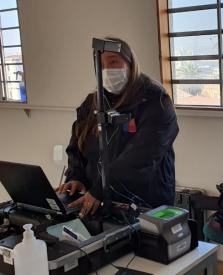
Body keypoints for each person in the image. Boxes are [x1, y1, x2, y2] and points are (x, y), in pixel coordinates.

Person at [55, 36, 179, 217]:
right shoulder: (91, 104)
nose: (107, 70)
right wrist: (76, 178)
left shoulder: (156, 102)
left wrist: (102, 188)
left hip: (145, 204)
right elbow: (77, 148)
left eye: (114, 61)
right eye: (101, 64)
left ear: (130, 64)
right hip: (97, 202)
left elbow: (141, 156)